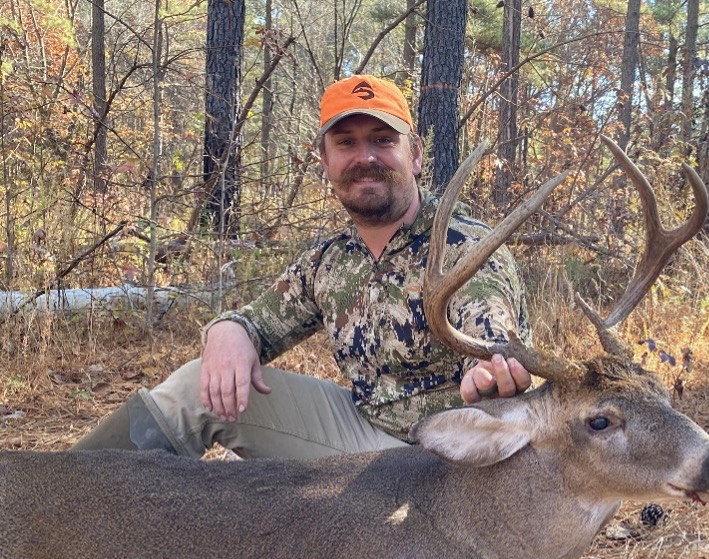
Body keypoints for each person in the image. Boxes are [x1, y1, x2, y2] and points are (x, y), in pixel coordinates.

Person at [73, 75, 532, 459]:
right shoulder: (328, 259)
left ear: (414, 155)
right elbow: (257, 322)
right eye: (346, 143)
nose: (365, 157)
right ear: (326, 163)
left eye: (383, 140)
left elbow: (491, 323)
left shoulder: (468, 246)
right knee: (195, 387)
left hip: (449, 457)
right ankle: (61, 499)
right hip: (364, 439)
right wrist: (228, 331)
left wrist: (493, 369)